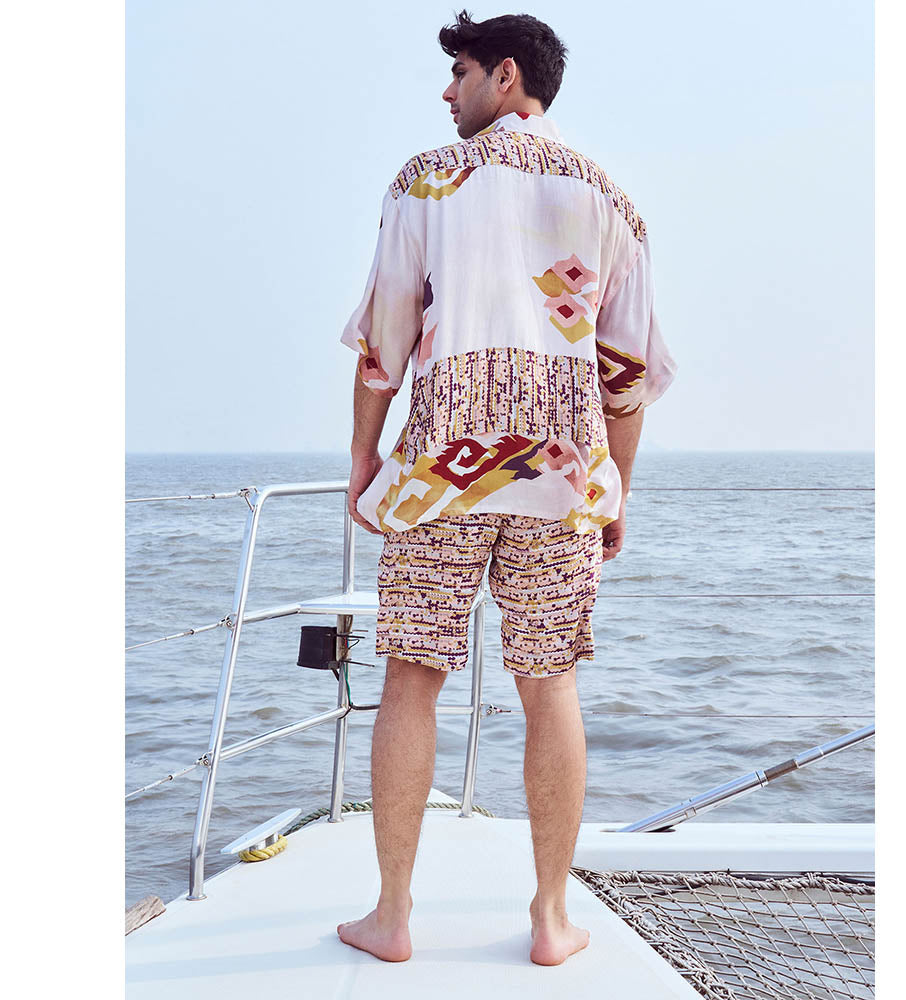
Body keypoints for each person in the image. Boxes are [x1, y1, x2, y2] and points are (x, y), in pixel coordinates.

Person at [336, 9, 677, 967]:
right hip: (562, 478)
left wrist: (363, 458)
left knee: (412, 676)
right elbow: (625, 377)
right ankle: (551, 920)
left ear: (507, 76)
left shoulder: (425, 183)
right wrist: (615, 493)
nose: (446, 92)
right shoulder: (609, 200)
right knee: (549, 683)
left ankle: (392, 917)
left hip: (440, 475)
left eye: (461, 73)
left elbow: (384, 344)